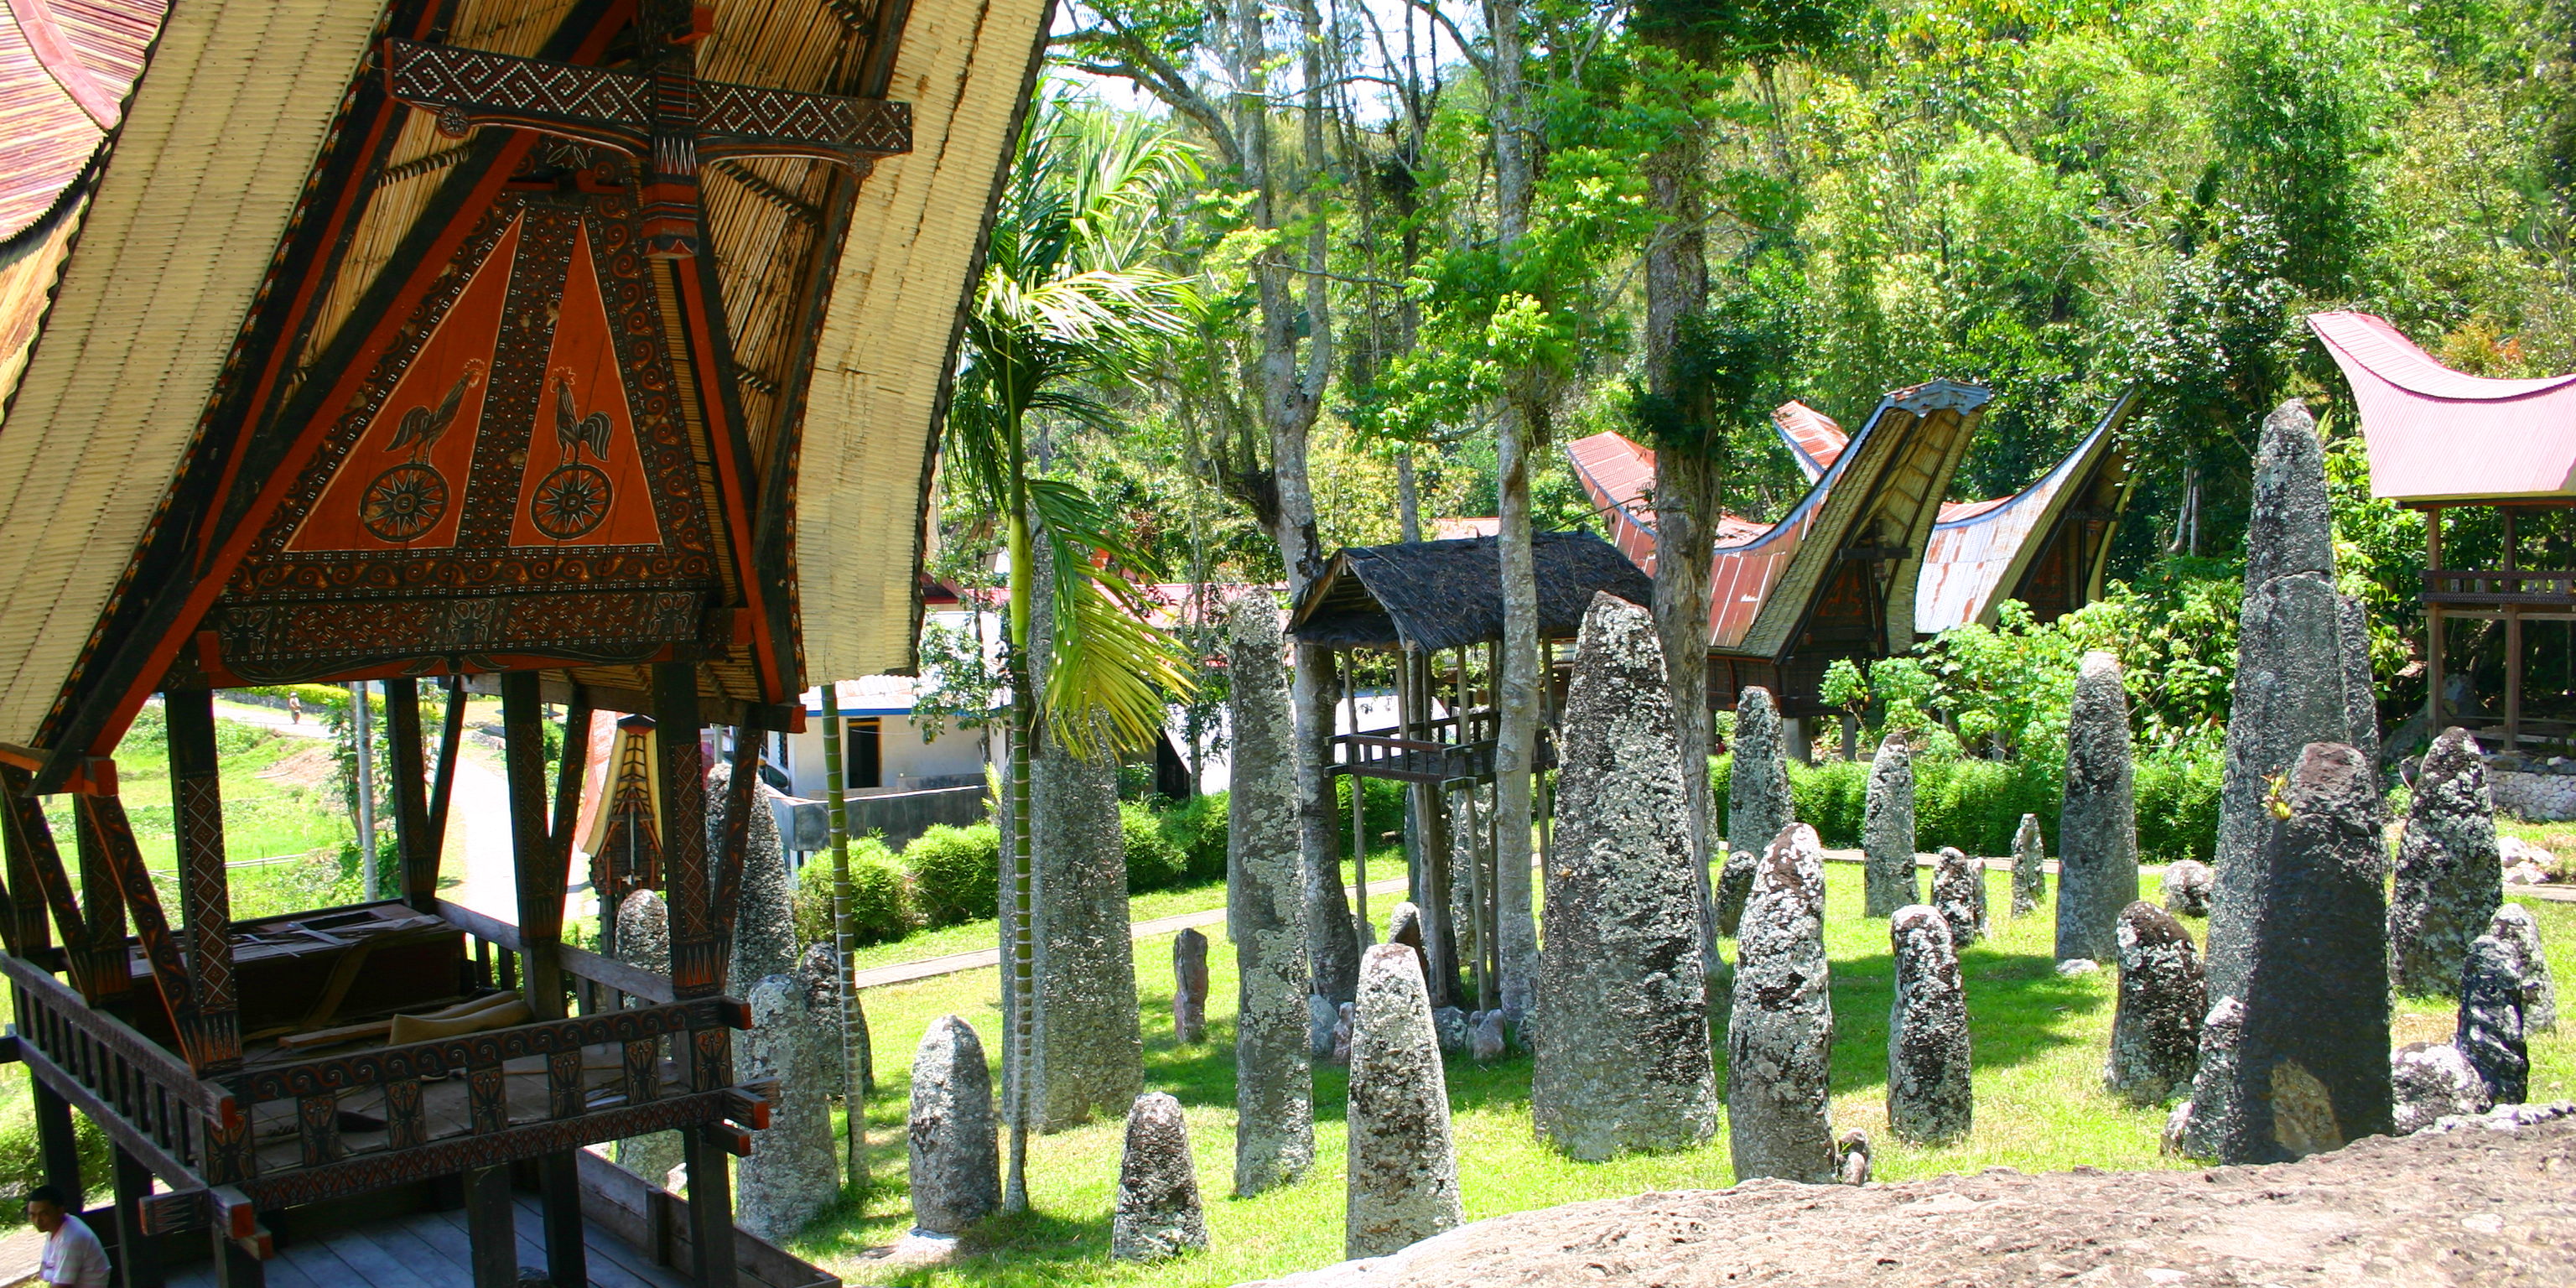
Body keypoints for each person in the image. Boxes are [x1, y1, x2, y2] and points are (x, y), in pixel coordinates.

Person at [25, 1185, 108, 1288]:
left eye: (43, 1214)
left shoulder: (71, 1238)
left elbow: (61, 1285)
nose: (37, 1220)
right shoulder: (55, 1229)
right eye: (32, 1215)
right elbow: (43, 1270)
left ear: (60, 1211)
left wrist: (50, 1273)